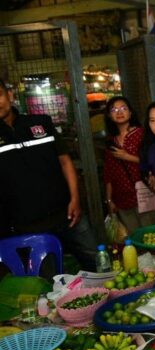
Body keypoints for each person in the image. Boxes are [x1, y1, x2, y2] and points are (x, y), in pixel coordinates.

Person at [0, 78, 98, 271]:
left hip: (69, 214)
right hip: (29, 227)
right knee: (50, 280)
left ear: (9, 95)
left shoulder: (40, 123)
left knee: (97, 263)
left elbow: (65, 161)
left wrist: (75, 199)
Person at [103, 96, 155, 233]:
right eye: (114, 110)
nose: (119, 112)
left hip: (143, 194)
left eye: (123, 108)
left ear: (131, 112)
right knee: (133, 239)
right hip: (121, 199)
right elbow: (108, 173)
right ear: (109, 115)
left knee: (151, 236)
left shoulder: (141, 134)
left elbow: (154, 162)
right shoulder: (111, 141)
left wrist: (127, 156)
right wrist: (109, 200)